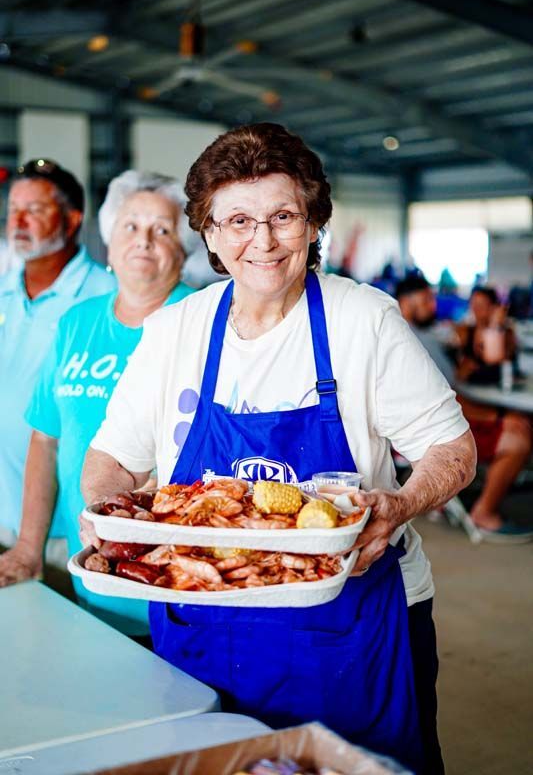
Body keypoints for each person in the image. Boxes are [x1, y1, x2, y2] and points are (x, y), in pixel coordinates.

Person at [81, 123, 476, 774]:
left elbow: (451, 449)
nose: (260, 241)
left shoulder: (361, 319)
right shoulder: (175, 330)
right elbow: (113, 462)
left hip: (349, 622)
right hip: (201, 615)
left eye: (282, 216)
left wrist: (398, 504)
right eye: (236, 220)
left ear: (314, 221)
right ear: (207, 234)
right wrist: (113, 525)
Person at [0, 170, 196, 636]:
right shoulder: (77, 323)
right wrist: (29, 548)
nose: (143, 241)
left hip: (176, 588)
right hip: (89, 574)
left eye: (162, 230)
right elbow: (45, 440)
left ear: (184, 248)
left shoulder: (202, 321)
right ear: (109, 241)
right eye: (130, 226)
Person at [0, 159, 114, 560]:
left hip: (69, 533)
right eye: (14, 209)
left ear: (71, 219)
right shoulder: (4, 293)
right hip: (6, 518)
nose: (19, 221)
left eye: (35, 210)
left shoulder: (108, 297)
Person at [397, 276, 533, 542]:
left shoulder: (417, 334)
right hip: (436, 432)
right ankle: (484, 512)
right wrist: (500, 417)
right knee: (519, 436)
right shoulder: (411, 340)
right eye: (426, 300)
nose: (434, 306)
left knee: (518, 422)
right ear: (407, 302)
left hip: (439, 422)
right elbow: (448, 398)